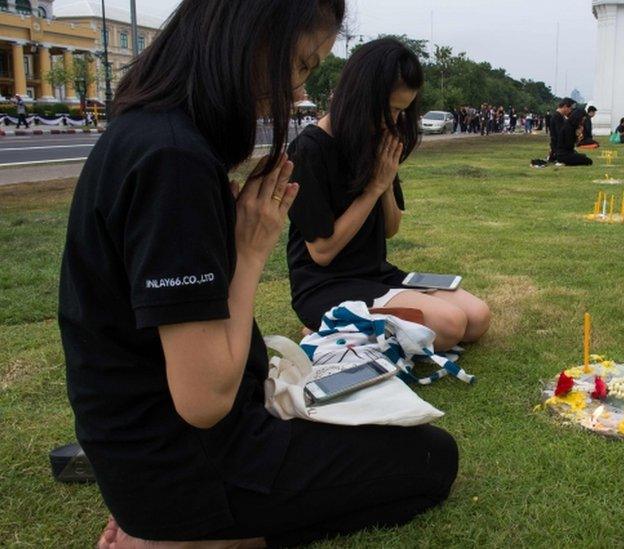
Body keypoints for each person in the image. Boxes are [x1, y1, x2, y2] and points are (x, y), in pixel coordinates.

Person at [59, 2, 458, 547]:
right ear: (243, 42)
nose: (296, 93)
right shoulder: (173, 162)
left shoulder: (151, 135)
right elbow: (204, 402)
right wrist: (250, 252)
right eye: (298, 65)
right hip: (186, 463)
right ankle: (199, 536)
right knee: (432, 459)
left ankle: (183, 527)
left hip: (149, 457)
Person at [286, 38, 491, 353]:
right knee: (450, 326)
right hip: (326, 283)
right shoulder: (309, 150)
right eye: (391, 110)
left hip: (375, 273)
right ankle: (326, 324)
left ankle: (348, 325)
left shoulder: (374, 139)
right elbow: (322, 252)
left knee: (477, 318)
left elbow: (391, 229)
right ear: (363, 97)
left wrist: (386, 180)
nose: (394, 122)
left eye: (402, 111)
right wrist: (374, 188)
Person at [548, 98, 575, 162]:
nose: (570, 111)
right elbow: (560, 135)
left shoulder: (559, 116)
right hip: (559, 149)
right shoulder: (557, 117)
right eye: (570, 108)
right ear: (565, 106)